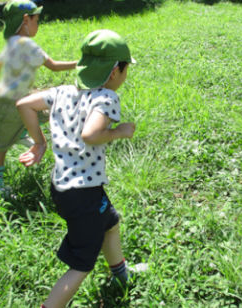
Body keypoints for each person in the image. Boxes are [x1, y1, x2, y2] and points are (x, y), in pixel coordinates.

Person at [16, 29, 146, 308]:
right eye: (125, 70)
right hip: (83, 193)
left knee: (110, 223)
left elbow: (24, 104)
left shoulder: (62, 92)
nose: (125, 76)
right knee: (82, 263)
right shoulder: (106, 98)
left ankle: (121, 276)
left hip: (63, 187)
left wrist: (39, 143)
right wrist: (120, 132)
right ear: (115, 71)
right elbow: (90, 134)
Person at [0, 0, 77, 195]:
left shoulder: (11, 42)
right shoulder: (28, 45)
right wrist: (78, 63)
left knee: (43, 111)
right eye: (37, 20)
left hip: (6, 102)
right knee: (1, 148)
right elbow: (53, 66)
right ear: (26, 20)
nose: (38, 24)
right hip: (10, 108)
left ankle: (20, 133)